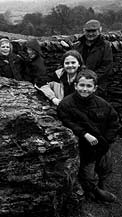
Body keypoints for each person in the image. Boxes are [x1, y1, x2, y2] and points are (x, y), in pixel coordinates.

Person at [57, 69, 120, 202]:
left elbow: (114, 123)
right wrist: (84, 134)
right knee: (87, 175)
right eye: (82, 85)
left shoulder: (103, 105)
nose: (84, 89)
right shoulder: (66, 104)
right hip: (84, 148)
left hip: (102, 145)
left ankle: (101, 183)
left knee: (105, 167)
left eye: (88, 86)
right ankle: (95, 191)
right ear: (75, 86)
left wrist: (106, 141)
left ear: (95, 88)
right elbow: (67, 122)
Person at [74, 19, 113, 98]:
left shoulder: (105, 46)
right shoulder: (78, 45)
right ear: (84, 31)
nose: (91, 34)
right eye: (88, 31)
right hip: (79, 83)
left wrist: (91, 78)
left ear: (99, 30)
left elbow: (106, 67)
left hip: (98, 85)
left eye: (93, 31)